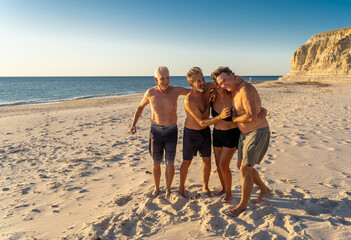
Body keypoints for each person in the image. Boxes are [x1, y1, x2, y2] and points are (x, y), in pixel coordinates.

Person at [211, 66, 271, 217]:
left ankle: (242, 206)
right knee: (242, 166)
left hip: (256, 132)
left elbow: (251, 116)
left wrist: (235, 119)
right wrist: (213, 91)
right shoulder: (235, 90)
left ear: (233, 75)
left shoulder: (245, 89)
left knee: (245, 169)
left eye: (226, 79)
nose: (224, 84)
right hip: (244, 134)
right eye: (221, 83)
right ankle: (264, 190)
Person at [130, 66, 190, 197]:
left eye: (168, 78)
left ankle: (168, 188)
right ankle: (157, 188)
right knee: (156, 163)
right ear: (156, 79)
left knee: (170, 163)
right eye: (162, 78)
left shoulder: (175, 90)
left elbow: (194, 91)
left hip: (171, 131)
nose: (166, 81)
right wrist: (134, 124)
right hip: (155, 132)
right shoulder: (150, 93)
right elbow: (140, 107)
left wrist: (211, 88)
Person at [178, 67, 232, 198]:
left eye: (202, 78)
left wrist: (215, 92)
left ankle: (205, 186)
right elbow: (201, 122)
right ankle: (181, 188)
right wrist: (220, 117)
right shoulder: (189, 100)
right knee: (186, 162)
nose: (202, 82)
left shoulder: (208, 87)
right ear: (191, 84)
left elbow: (224, 85)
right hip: (191, 133)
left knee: (207, 161)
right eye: (198, 81)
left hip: (205, 133)